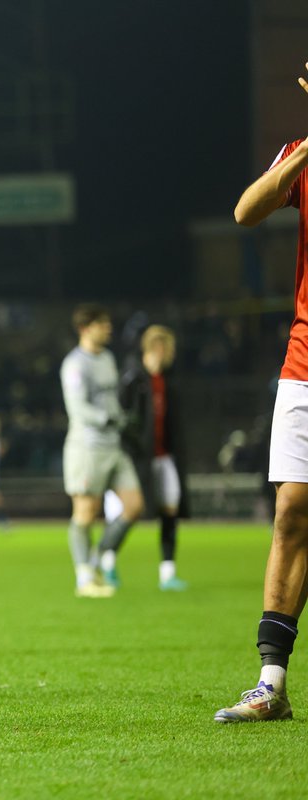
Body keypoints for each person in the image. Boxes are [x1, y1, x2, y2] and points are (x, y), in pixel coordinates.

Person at [215, 68, 308, 722]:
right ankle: (270, 684)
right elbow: (246, 211)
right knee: (291, 512)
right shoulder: (301, 155)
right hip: (305, 362)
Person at [59, 304, 143, 599]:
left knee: (134, 505)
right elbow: (77, 408)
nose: (108, 328)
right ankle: (84, 578)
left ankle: (95, 559)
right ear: (85, 328)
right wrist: (107, 418)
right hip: (87, 448)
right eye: (101, 324)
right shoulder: (74, 364)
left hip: (113, 445)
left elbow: (112, 399)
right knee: (85, 512)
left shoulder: (107, 358)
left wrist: (122, 418)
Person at [115, 325, 190, 591]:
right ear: (157, 347)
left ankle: (167, 573)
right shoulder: (134, 377)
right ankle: (106, 560)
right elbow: (122, 416)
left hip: (163, 456)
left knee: (170, 509)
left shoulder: (167, 379)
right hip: (136, 458)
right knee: (128, 512)